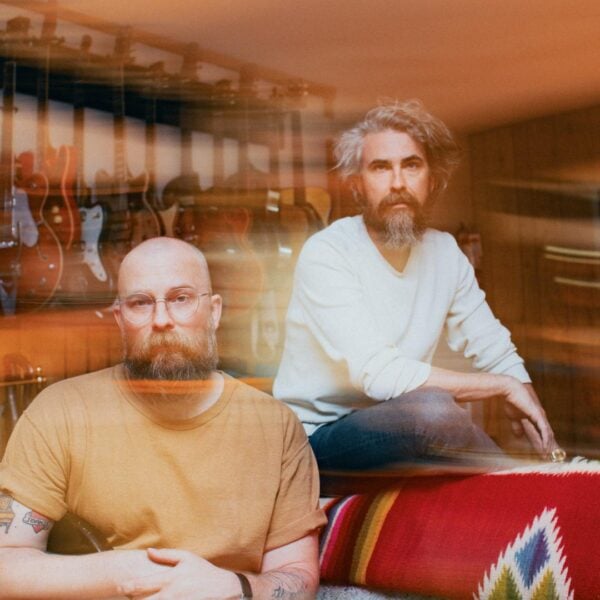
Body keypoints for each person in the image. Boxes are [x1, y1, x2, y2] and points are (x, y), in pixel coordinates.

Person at [0, 237, 325, 600]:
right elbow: (6, 564)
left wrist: (235, 587)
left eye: (181, 298)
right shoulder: (60, 412)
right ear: (120, 320)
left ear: (214, 311)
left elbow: (298, 579)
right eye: (140, 303)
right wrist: (128, 573)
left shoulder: (275, 427)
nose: (161, 320)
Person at [273, 100, 563, 471]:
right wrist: (504, 386)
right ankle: (517, 483)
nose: (398, 183)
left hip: (396, 427)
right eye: (380, 168)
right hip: (316, 441)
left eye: (411, 165)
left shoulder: (445, 252)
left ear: (433, 179)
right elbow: (380, 375)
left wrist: (529, 404)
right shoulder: (327, 253)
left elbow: (493, 346)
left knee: (433, 411)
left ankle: (547, 475)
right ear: (357, 185)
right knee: (432, 409)